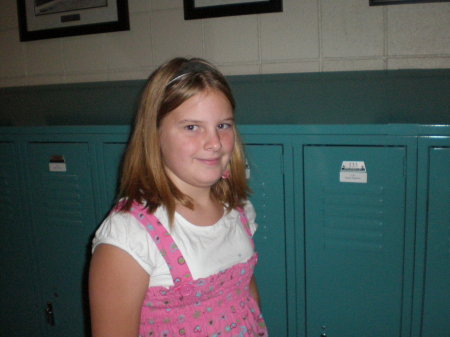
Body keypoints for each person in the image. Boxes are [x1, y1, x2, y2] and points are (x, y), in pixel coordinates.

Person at [88, 57, 268, 337]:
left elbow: (246, 294)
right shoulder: (129, 238)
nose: (215, 143)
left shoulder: (238, 211)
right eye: (191, 127)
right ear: (155, 135)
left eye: (223, 125)